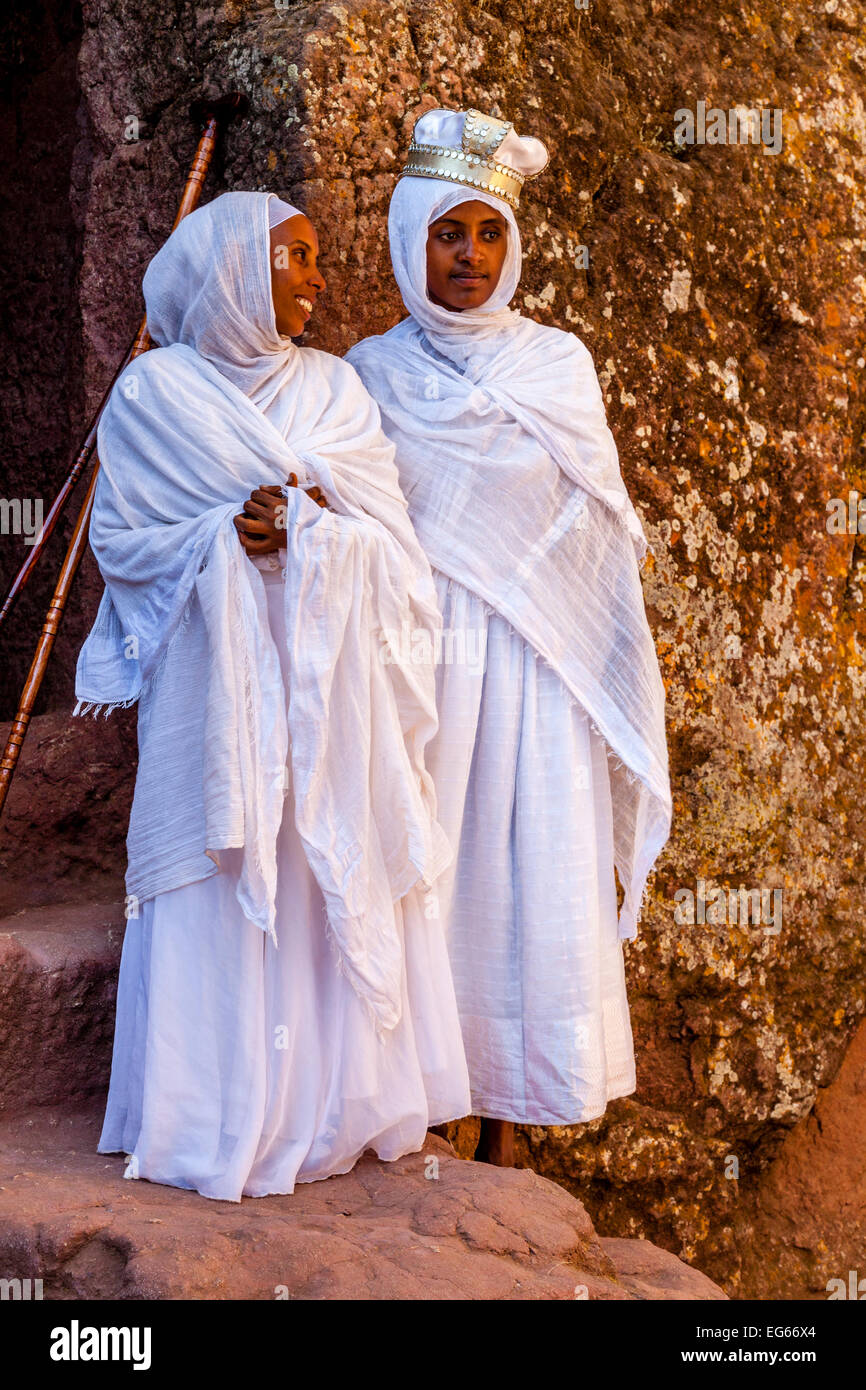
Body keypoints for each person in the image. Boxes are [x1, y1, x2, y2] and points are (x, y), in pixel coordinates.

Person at [73, 190, 471, 1201]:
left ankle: (322, 1105)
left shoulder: (334, 392)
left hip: (329, 704)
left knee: (305, 872)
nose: (317, 278)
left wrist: (310, 524)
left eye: (316, 258)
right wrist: (224, 538)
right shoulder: (153, 394)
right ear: (235, 272)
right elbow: (121, 542)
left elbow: (393, 546)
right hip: (209, 698)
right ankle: (209, 1112)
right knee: (219, 874)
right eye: (293, 258)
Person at [346, 109, 672, 1166]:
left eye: (488, 234)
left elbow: (598, 528)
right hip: (419, 665)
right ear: (408, 242)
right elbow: (348, 511)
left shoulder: (555, 365)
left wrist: (540, 596)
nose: (470, 257)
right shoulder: (368, 373)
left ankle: (512, 1122)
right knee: (429, 865)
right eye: (449, 234)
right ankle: (427, 1095)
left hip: (536, 669)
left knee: (525, 874)